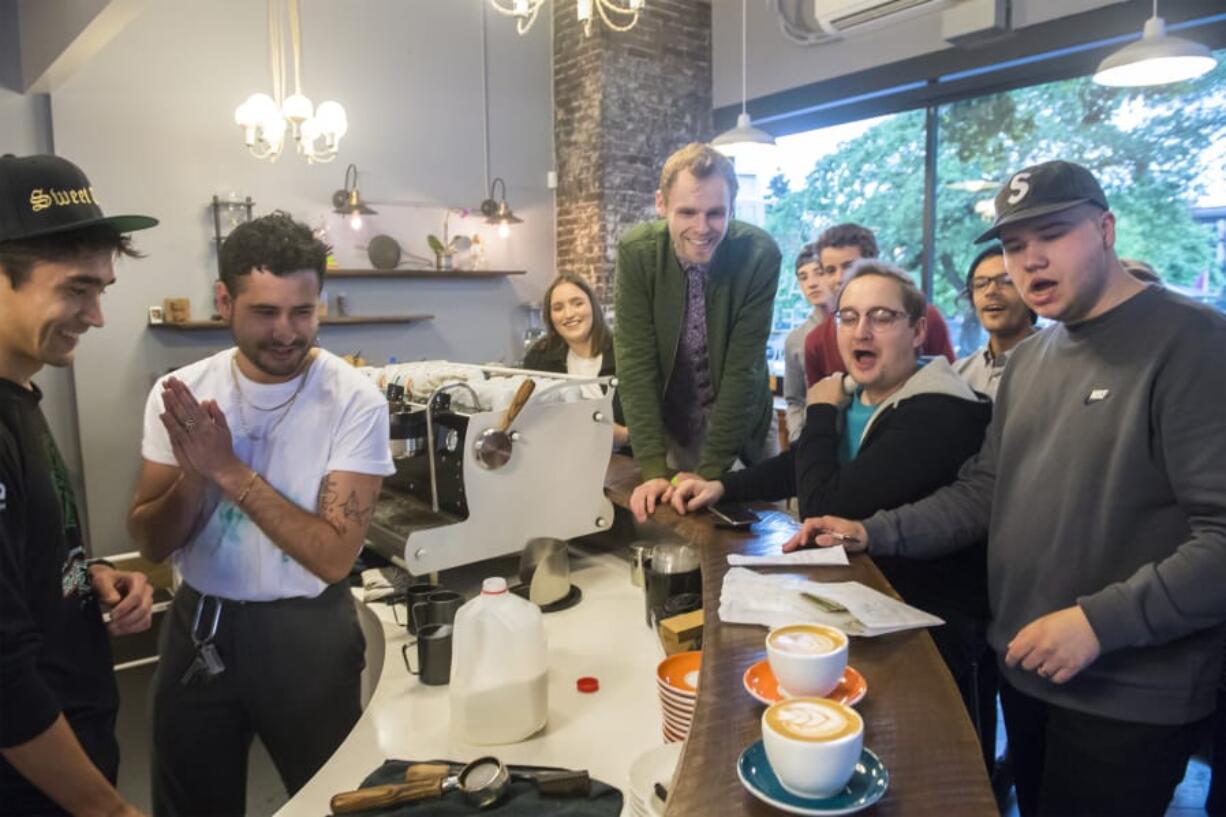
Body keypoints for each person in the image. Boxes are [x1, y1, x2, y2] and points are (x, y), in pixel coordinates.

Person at [792, 160, 1226, 817]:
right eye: (1015, 245)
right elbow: (984, 492)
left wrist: (1096, 622)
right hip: (1025, 667)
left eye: (1051, 235)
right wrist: (870, 530)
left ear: (1105, 229)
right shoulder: (1028, 362)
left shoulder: (1192, 343)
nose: (1030, 261)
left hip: (1127, 688)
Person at [671, 261, 995, 763]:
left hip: (926, 633)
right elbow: (802, 464)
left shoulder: (940, 411)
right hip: (865, 603)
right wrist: (721, 485)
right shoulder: (861, 396)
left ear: (918, 330)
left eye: (881, 316)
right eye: (848, 317)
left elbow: (826, 502)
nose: (860, 331)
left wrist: (820, 409)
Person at [127, 212, 395, 816]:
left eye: (302, 312)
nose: (286, 332)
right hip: (200, 625)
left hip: (308, 634)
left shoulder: (354, 399)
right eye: (265, 313)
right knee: (191, 802)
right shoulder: (182, 394)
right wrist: (194, 473)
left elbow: (331, 557)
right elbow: (149, 540)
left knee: (335, 801)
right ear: (225, 300)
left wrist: (227, 470)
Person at [0, 153, 156, 817]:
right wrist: (108, 809)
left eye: (102, 291)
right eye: (76, 289)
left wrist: (82, 572)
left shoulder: (21, 394)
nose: (95, 317)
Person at [614, 142, 781, 522]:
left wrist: (709, 474)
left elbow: (744, 370)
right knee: (679, 527)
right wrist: (654, 469)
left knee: (756, 532)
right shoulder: (638, 252)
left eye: (715, 213)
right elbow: (636, 364)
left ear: (732, 208)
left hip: (742, 424)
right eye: (687, 212)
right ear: (661, 204)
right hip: (673, 425)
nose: (702, 228)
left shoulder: (759, 254)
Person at [803, 223, 954, 387]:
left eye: (849, 266)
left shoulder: (923, 316)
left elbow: (949, 382)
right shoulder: (815, 341)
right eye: (830, 270)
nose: (839, 278)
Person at [523, 273, 628, 447]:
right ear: (550, 317)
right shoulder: (539, 357)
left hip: (624, 460)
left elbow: (655, 424)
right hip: (561, 456)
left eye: (577, 303)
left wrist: (623, 436)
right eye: (558, 308)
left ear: (593, 306)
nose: (569, 314)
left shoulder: (626, 353)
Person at [953, 244, 1036, 399]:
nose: (991, 291)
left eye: (1006, 281)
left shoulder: (1057, 364)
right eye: (980, 284)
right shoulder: (958, 375)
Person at [781, 244, 831, 441]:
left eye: (818, 273)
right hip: (812, 437)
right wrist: (797, 437)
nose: (811, 283)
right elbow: (794, 399)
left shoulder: (855, 329)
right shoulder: (796, 338)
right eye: (803, 277)